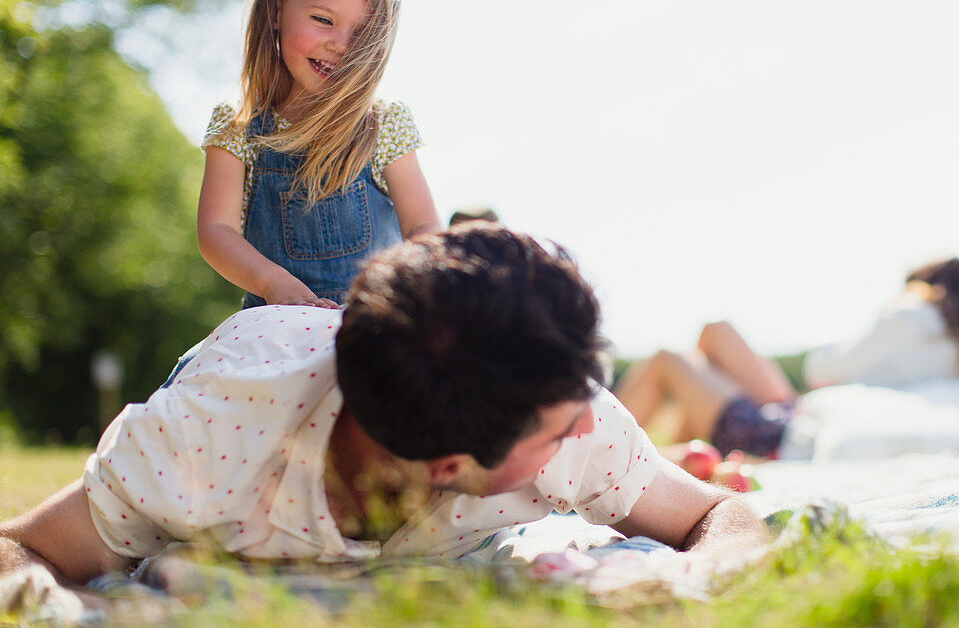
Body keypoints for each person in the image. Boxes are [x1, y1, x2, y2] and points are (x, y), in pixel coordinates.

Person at [0, 224, 768, 586]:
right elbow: (23, 548)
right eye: (563, 424)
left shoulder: (561, 404)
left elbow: (724, 515)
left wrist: (689, 582)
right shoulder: (200, 443)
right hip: (247, 369)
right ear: (449, 466)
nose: (591, 424)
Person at [197, 0, 441, 310]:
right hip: (273, 323)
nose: (340, 45)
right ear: (277, 10)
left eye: (360, 34)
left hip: (370, 323)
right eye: (323, 20)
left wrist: (408, 288)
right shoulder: (238, 123)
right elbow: (216, 230)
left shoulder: (381, 121)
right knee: (195, 371)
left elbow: (422, 227)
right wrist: (274, 283)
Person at [617, 257, 959, 460]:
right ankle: (682, 457)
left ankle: (600, 451)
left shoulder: (911, 316)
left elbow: (820, 370)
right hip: (803, 422)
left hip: (789, 432)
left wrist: (892, 310)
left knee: (670, 359)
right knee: (714, 333)